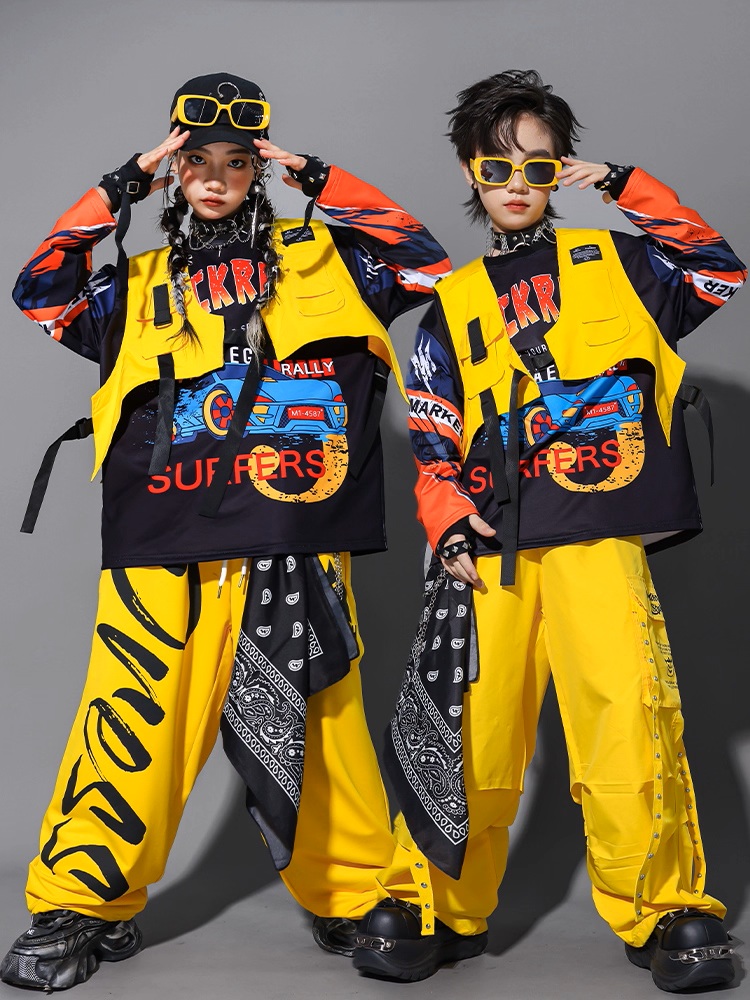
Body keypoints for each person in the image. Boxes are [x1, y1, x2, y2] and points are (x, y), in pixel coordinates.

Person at [1, 72, 450, 991]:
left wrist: (318, 178)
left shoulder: (327, 263)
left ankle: (354, 893)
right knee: (132, 716)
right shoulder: (133, 284)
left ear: (258, 168)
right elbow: (39, 289)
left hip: (297, 531)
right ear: (174, 169)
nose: (214, 177)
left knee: (323, 720)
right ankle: (80, 904)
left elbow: (424, 265)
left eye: (236, 161)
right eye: (195, 160)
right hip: (163, 536)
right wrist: (121, 183)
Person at [352, 70, 746, 993]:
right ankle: (436, 904)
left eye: (539, 163)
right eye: (497, 166)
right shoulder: (451, 305)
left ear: (562, 167)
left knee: (626, 720)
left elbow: (716, 269)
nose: (517, 182)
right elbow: (434, 434)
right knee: (471, 727)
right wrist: (448, 524)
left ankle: (664, 909)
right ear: (471, 172)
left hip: (601, 528)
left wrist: (623, 185)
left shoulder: (624, 264)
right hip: (489, 545)